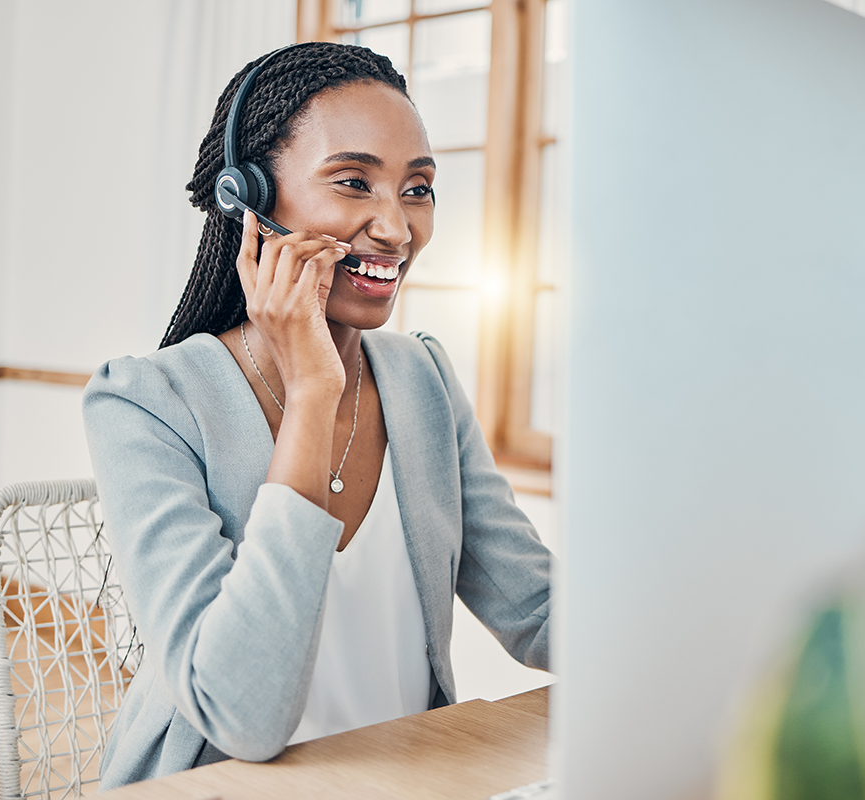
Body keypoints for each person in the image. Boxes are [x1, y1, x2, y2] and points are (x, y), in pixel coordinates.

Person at [82, 42, 552, 790]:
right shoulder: (145, 403)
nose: (396, 230)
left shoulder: (422, 378)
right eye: (354, 183)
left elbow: (536, 609)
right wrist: (310, 394)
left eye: (418, 189)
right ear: (248, 199)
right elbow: (240, 715)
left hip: (404, 778)